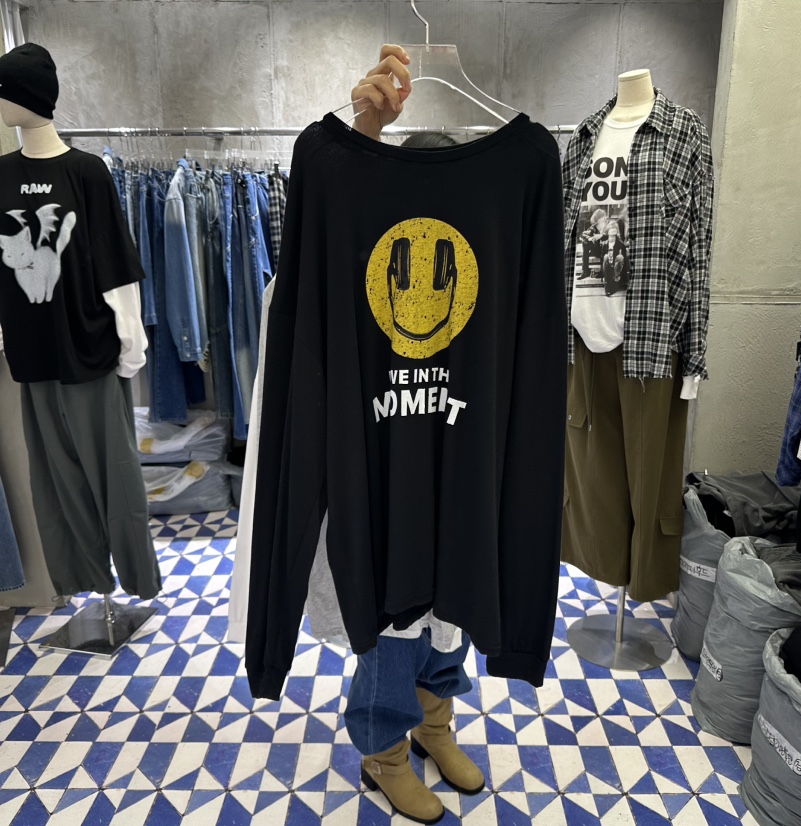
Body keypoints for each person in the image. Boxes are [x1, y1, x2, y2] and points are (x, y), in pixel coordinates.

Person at [341, 45, 486, 825]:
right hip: (389, 489)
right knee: (393, 632)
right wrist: (362, 131)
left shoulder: (481, 275)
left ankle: (435, 729)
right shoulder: (359, 266)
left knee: (449, 623)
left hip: (454, 482)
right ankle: (384, 753)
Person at [578, 207, 607, 280]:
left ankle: (603, 271)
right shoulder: (593, 228)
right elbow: (583, 235)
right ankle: (585, 270)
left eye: (603, 218)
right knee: (585, 243)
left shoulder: (607, 225)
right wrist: (590, 238)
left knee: (605, 244)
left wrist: (601, 235)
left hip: (606, 249)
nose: (603, 219)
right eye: (601, 218)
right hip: (597, 250)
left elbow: (611, 234)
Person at [601, 219, 628, 295]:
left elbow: (624, 262)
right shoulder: (604, 244)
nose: (612, 237)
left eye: (614, 235)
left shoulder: (620, 244)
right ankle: (607, 286)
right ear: (608, 232)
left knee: (620, 257)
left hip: (617, 269)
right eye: (611, 235)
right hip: (607, 269)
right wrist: (602, 274)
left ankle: (615, 278)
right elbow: (602, 261)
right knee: (605, 256)